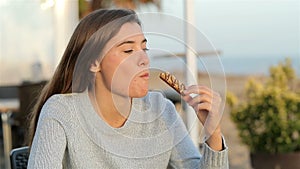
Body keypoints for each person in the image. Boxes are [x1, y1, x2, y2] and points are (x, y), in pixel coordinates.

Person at [27, 9, 228, 168]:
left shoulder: (161, 110)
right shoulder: (62, 112)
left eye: (144, 48)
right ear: (94, 62)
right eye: (128, 50)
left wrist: (213, 132)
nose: (144, 59)